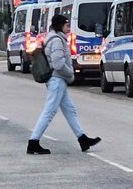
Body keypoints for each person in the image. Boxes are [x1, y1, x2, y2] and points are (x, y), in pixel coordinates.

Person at [27, 15, 101, 155]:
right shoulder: (56, 41)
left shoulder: (55, 38)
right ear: (59, 26)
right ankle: (33, 142)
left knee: (69, 110)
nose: (68, 27)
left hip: (57, 80)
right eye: (66, 25)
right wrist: (71, 75)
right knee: (49, 112)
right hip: (57, 80)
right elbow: (58, 64)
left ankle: (82, 139)